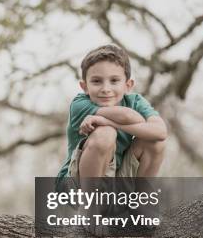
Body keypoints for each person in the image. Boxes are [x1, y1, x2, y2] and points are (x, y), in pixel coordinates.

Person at [57, 44, 167, 182]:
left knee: (155, 142)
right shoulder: (80, 104)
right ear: (84, 87)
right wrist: (117, 124)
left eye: (114, 81)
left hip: (115, 179)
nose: (105, 89)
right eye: (97, 81)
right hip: (77, 184)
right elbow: (128, 116)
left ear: (128, 85)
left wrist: (107, 121)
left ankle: (139, 200)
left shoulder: (135, 101)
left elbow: (161, 132)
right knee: (106, 133)